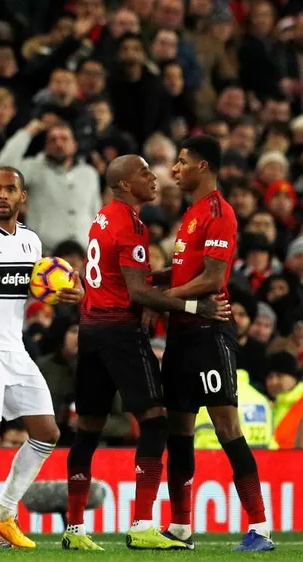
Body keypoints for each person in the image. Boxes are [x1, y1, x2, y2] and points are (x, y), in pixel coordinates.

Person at [63, 155, 231, 551]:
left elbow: (124, 279)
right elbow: (137, 292)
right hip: (121, 331)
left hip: (90, 329)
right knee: (155, 422)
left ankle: (74, 529)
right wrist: (195, 306)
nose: (154, 178)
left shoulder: (103, 216)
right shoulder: (130, 224)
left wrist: (171, 277)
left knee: (87, 429)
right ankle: (142, 524)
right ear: (124, 185)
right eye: (143, 173)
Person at [0, 167, 78, 549]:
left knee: (47, 433)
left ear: (23, 197)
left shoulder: (32, 243)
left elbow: (27, 289)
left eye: (11, 189)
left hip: (15, 350)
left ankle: (6, 512)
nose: (3, 195)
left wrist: (61, 295)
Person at [158, 136, 275, 552]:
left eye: (182, 162)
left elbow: (212, 278)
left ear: (203, 166)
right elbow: (183, 277)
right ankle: (181, 528)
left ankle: (260, 527)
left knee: (227, 428)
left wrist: (164, 297)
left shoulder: (218, 213)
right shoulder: (190, 213)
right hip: (181, 334)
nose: (174, 169)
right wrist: (149, 283)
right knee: (179, 431)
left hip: (210, 334)